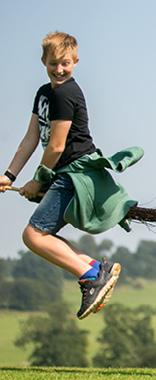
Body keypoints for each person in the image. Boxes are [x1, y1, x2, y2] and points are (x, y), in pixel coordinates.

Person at [0, 32, 122, 320]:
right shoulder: (45, 93)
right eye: (53, 63)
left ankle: (91, 274)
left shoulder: (65, 93)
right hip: (62, 173)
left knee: (33, 235)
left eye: (65, 63)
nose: (59, 69)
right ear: (44, 61)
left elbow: (56, 145)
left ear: (75, 61)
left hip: (74, 172)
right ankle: (95, 269)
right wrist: (10, 174)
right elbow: (31, 138)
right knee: (43, 234)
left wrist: (38, 180)